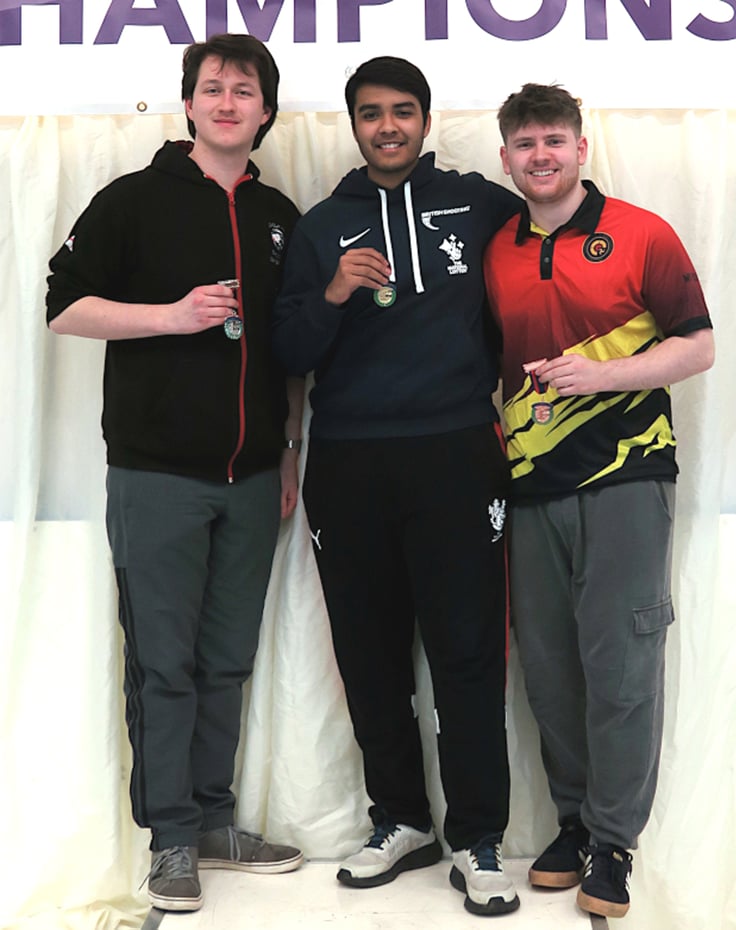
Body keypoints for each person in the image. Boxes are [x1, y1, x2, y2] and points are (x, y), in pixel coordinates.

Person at [46, 33, 305, 913]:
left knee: (226, 660)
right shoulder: (131, 201)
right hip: (156, 476)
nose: (228, 101)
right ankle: (170, 842)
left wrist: (287, 456)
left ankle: (216, 822)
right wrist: (172, 315)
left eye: (245, 90)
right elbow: (65, 307)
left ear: (266, 111)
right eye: (212, 88)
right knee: (164, 665)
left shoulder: (282, 220)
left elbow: (292, 358)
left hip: (253, 478)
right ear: (188, 103)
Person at [272, 57, 522, 918]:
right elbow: (289, 352)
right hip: (350, 463)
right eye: (372, 113)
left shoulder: (481, 202)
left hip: (456, 449)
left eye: (403, 112)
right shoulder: (319, 227)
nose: (388, 126)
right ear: (353, 124)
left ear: (425, 119)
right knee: (369, 655)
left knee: (466, 652)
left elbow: (543, 245)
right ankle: (401, 820)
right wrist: (336, 291)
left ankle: (479, 838)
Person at [483, 83, 714, 919]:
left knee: (620, 669)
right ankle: (575, 822)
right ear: (504, 156)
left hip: (627, 478)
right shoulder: (497, 246)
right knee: (548, 672)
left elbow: (700, 347)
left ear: (581, 149)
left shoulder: (643, 233)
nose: (540, 156)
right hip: (531, 487)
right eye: (524, 144)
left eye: (554, 140)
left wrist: (605, 375)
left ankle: (614, 843)